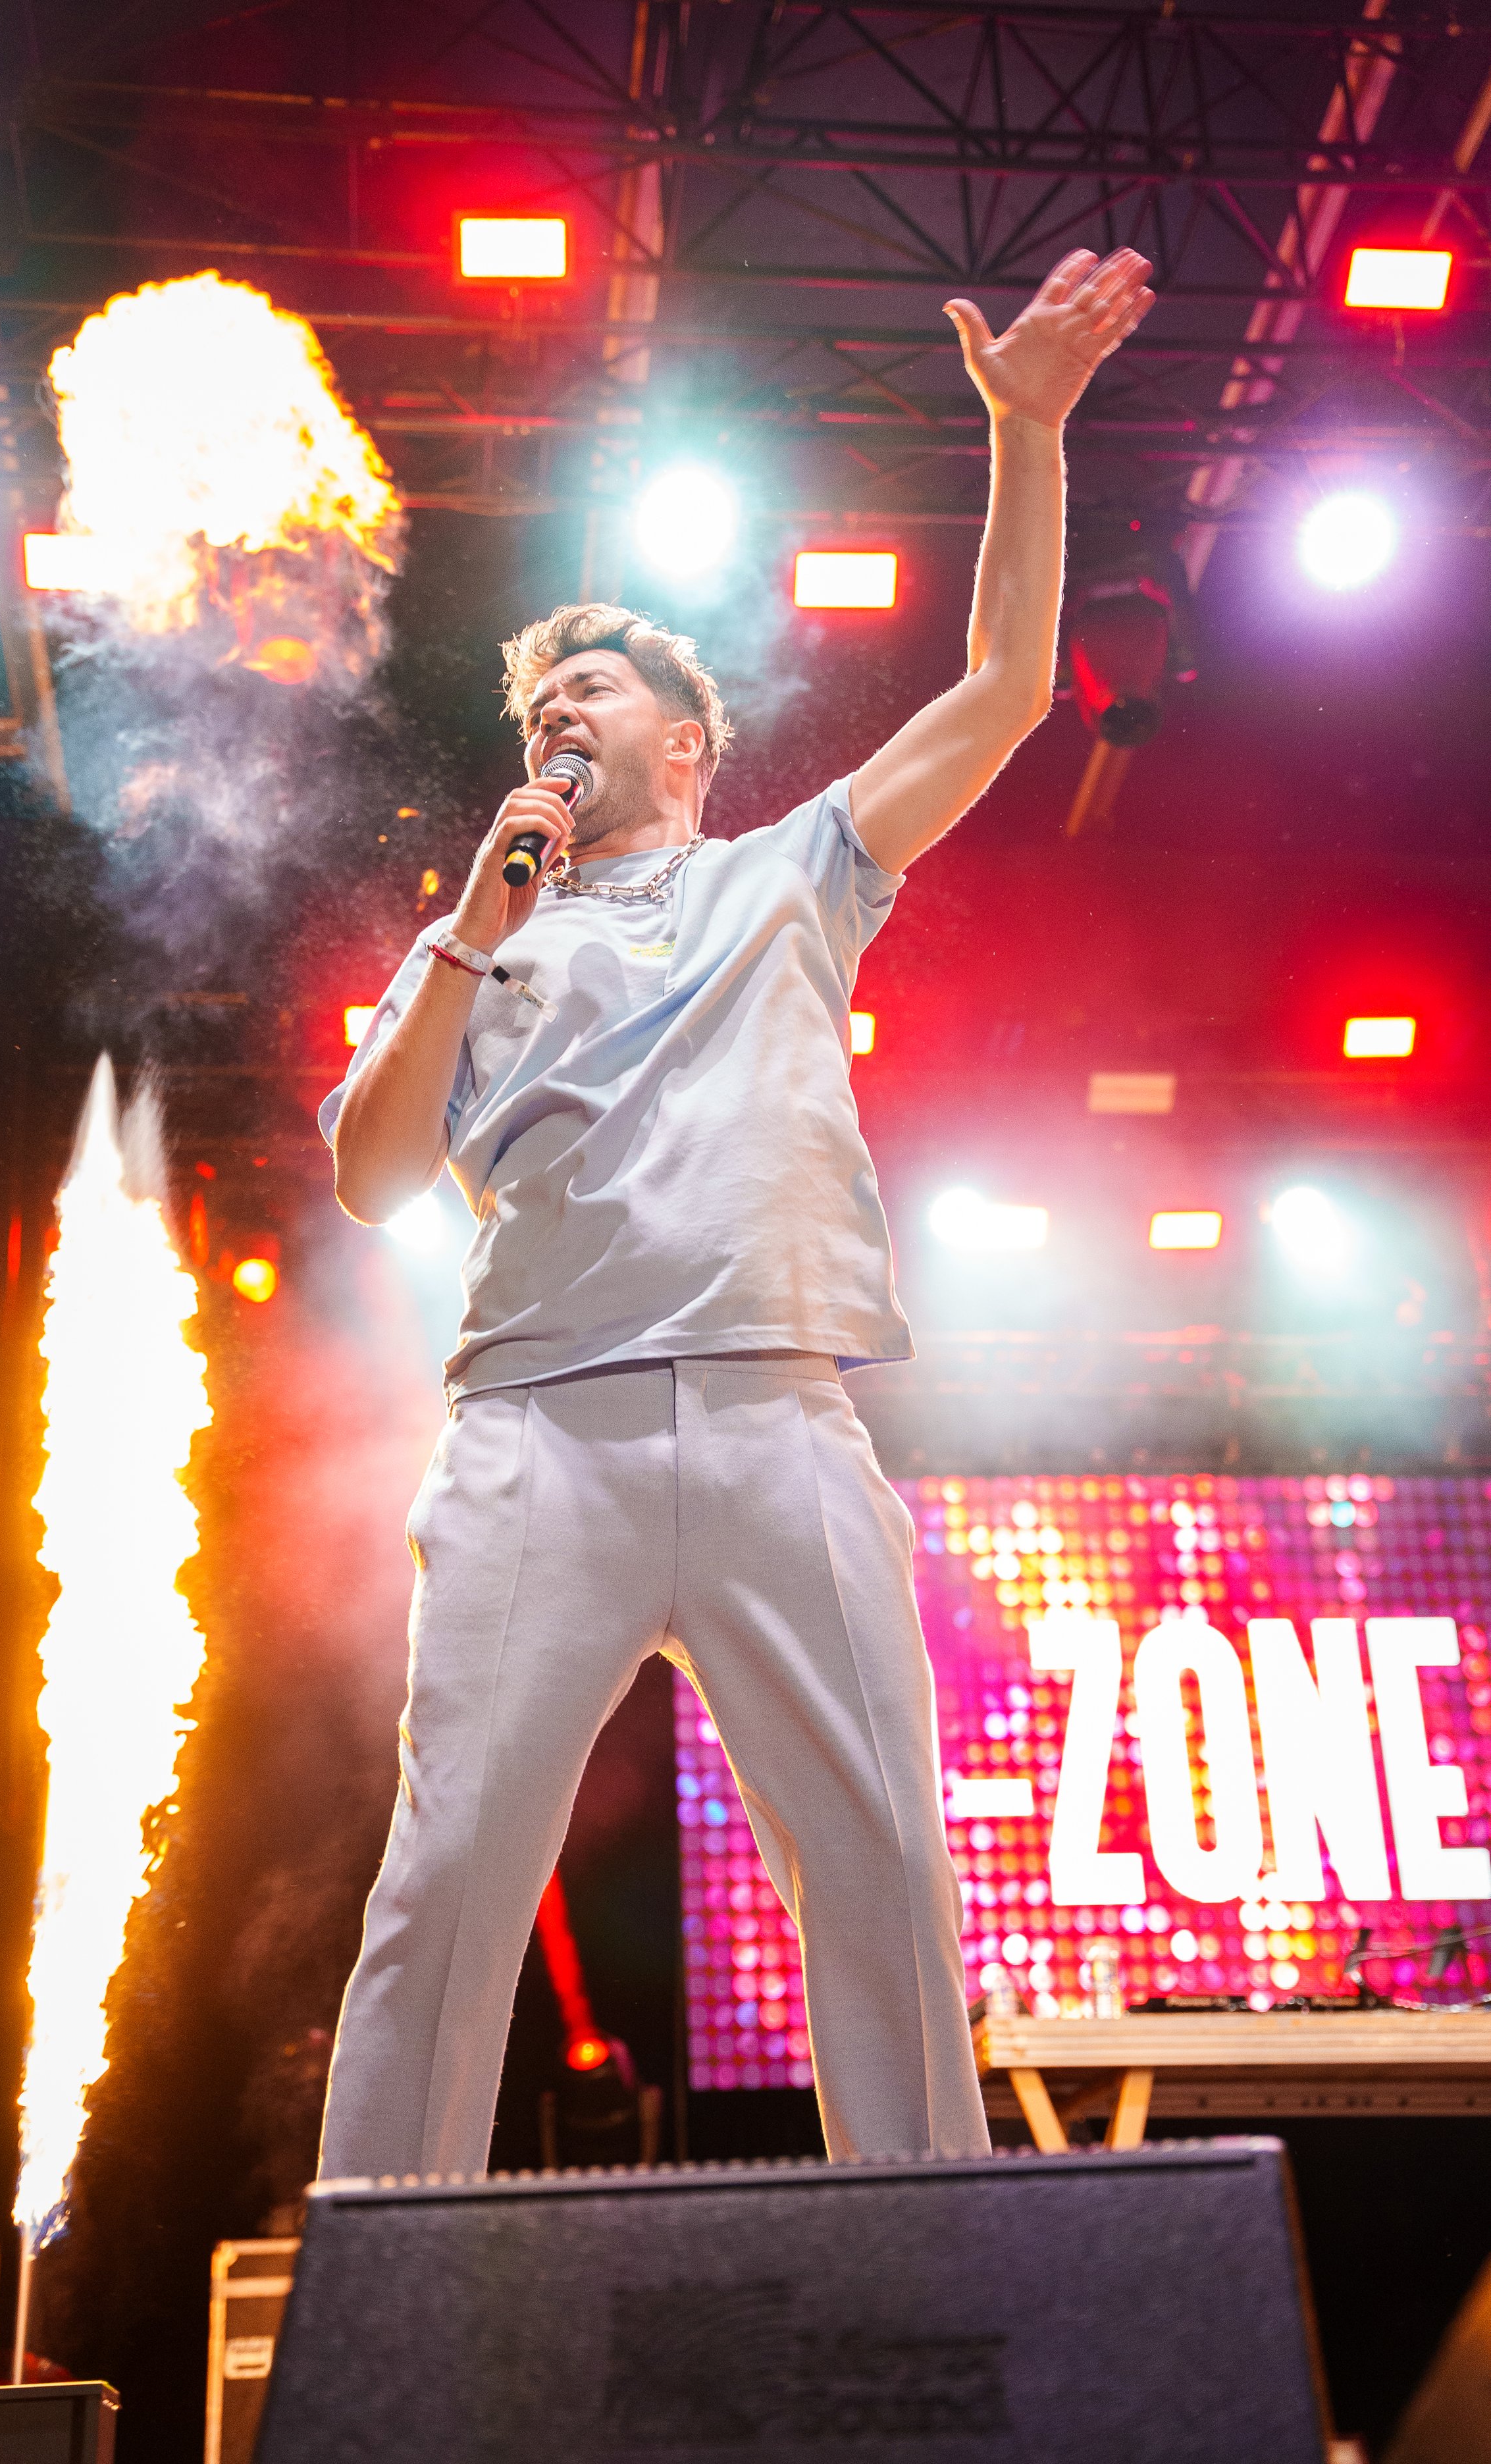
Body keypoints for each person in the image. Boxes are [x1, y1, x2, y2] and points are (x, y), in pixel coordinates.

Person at [317, 248, 1154, 2180]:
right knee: (443, 1886)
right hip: (540, 1435)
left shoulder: (793, 871)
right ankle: (382, 2313)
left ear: (683, 746)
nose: (553, 713)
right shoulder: (472, 938)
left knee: (876, 1874)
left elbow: (1010, 689)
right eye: (534, 701)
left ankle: (932, 2299)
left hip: (782, 1417)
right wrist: (470, 920)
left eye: (589, 688)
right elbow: (369, 1175)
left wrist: (1022, 433)